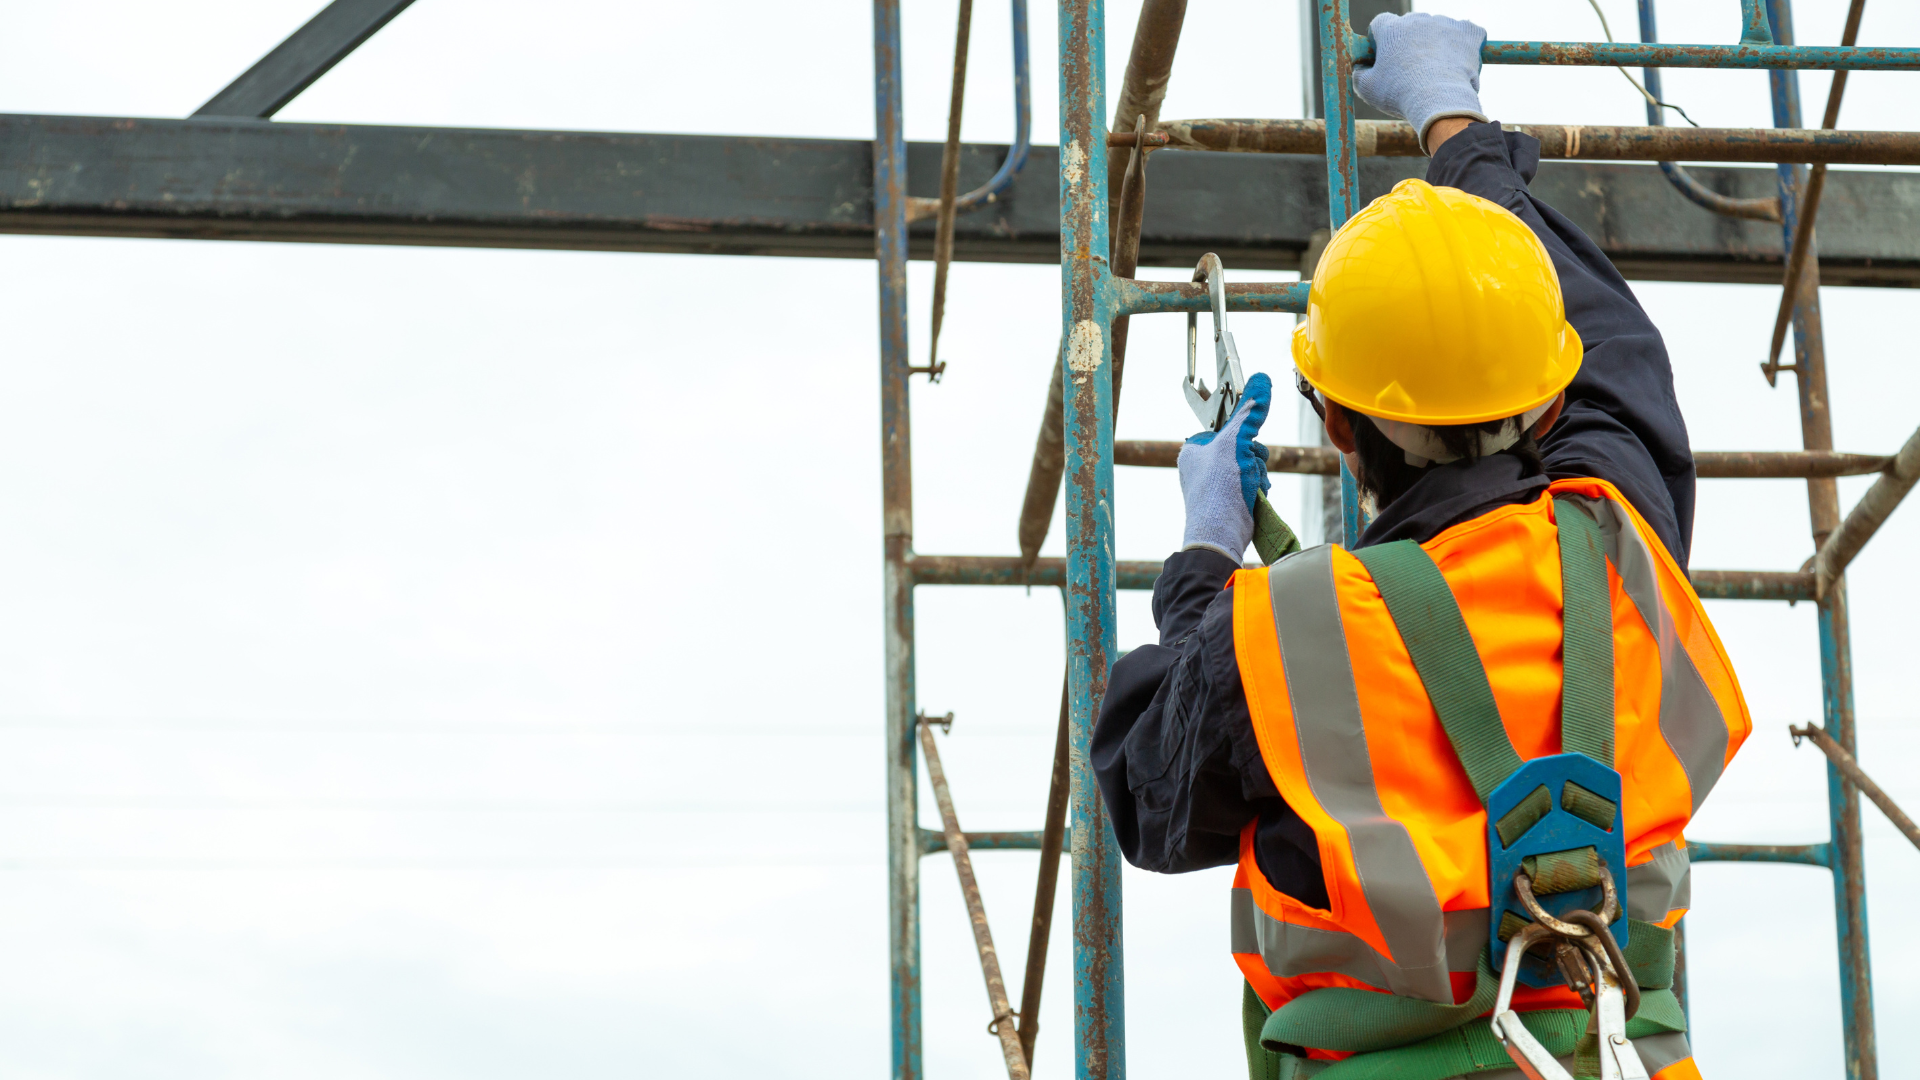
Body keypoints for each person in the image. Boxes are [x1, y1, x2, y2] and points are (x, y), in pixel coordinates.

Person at [1091, 13, 1751, 1080]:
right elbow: (1614, 349)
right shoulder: (1624, 546)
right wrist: (1455, 121)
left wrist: (1203, 562)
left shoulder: (1283, 635)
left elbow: (1144, 790)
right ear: (1547, 400)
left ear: (1337, 426)